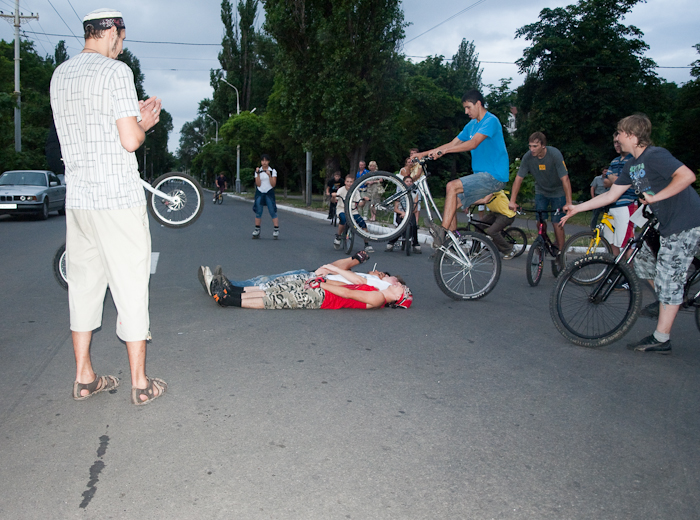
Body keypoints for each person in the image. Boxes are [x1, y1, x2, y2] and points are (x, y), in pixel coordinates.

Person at [50, 8, 166, 405]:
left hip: (79, 200)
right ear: (112, 31)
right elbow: (129, 140)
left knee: (83, 287)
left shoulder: (60, 74)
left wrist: (130, 117)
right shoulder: (116, 72)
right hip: (116, 199)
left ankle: (84, 377)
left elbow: (93, 127)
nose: (122, 46)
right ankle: (140, 383)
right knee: (131, 286)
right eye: (122, 37)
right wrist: (143, 124)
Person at [560, 114, 700, 354]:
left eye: (620, 132)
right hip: (666, 222)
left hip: (685, 222)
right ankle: (668, 297)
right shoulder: (631, 165)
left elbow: (687, 176)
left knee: (668, 276)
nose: (617, 137)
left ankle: (661, 338)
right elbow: (610, 195)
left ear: (633, 136)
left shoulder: (655, 155)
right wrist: (577, 208)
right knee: (643, 260)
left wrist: (656, 197)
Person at [413, 90, 509, 247]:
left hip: (494, 176)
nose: (466, 111)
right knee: (451, 204)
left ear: (478, 104)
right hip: (482, 177)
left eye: (468, 107)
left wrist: (445, 151)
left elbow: (473, 144)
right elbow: (452, 144)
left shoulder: (490, 121)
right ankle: (452, 245)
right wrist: (421, 154)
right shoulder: (471, 126)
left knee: (452, 185)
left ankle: (442, 234)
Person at [209, 264, 413, 310]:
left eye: (406, 292)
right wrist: (324, 281)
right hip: (324, 289)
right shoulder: (378, 291)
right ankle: (232, 291)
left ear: (399, 299)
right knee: (274, 289)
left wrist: (323, 283)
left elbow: (347, 293)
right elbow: (346, 286)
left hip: (325, 298)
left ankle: (229, 300)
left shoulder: (379, 299)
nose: (405, 288)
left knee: (278, 300)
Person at [509, 132, 572, 252]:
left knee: (556, 223)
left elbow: (565, 179)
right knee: (539, 222)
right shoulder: (528, 157)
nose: (531, 149)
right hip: (541, 191)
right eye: (530, 146)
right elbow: (518, 179)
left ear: (543, 146)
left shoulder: (554, 154)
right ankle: (544, 243)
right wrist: (512, 200)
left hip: (557, 192)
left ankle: (561, 253)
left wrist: (568, 202)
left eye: (535, 146)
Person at [601, 132, 637, 256]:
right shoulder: (615, 161)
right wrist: (615, 179)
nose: (617, 145)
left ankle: (629, 272)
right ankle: (616, 270)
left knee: (625, 243)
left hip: (627, 204)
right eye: (615, 142)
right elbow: (605, 182)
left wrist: (613, 178)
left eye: (619, 142)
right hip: (613, 204)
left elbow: (618, 181)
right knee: (611, 242)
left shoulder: (633, 159)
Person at [334, 174, 374, 253]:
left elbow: (360, 204)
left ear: (354, 183)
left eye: (351, 182)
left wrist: (364, 201)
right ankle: (338, 236)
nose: (349, 184)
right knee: (343, 219)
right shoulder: (341, 190)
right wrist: (333, 196)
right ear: (345, 182)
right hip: (342, 209)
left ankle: (366, 244)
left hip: (353, 211)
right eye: (348, 182)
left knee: (362, 224)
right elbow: (334, 200)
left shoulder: (356, 191)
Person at [470, 190, 517, 259]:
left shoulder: (495, 189)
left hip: (506, 215)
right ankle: (475, 251)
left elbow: (485, 200)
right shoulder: (483, 190)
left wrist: (470, 203)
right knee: (478, 226)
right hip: (496, 213)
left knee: (491, 231)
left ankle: (509, 250)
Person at [386, 175, 422, 254]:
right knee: (401, 227)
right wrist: (402, 213)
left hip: (410, 213)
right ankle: (391, 242)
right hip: (400, 213)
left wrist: (407, 213)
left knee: (414, 226)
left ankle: (415, 244)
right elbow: (396, 209)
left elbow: (415, 208)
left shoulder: (415, 193)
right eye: (407, 181)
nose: (409, 183)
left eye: (410, 181)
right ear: (403, 183)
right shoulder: (399, 194)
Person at [252, 154, 279, 239]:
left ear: (268, 161)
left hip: (269, 192)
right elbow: (258, 184)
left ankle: (276, 229)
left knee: (272, 210)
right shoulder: (258, 171)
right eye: (263, 161)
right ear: (261, 162)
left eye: (266, 161)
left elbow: (273, 184)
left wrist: (269, 176)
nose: (264, 162)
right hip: (260, 192)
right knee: (258, 211)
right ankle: (257, 229)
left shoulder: (272, 171)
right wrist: (258, 174)